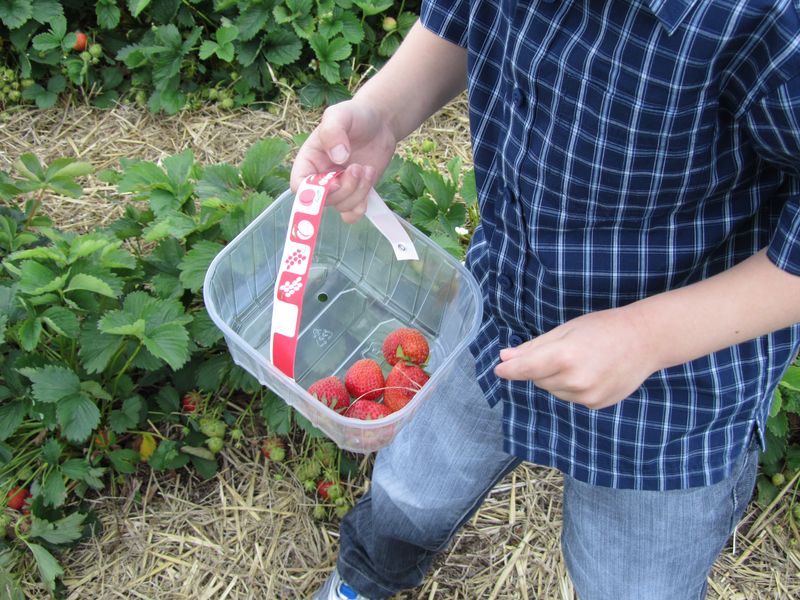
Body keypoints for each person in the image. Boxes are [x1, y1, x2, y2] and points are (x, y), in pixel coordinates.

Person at [290, 0, 800, 598]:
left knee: (633, 583)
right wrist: (382, 112)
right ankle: (366, 577)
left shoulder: (766, 17)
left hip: (676, 392)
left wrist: (650, 335)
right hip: (496, 309)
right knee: (409, 494)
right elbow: (460, 17)